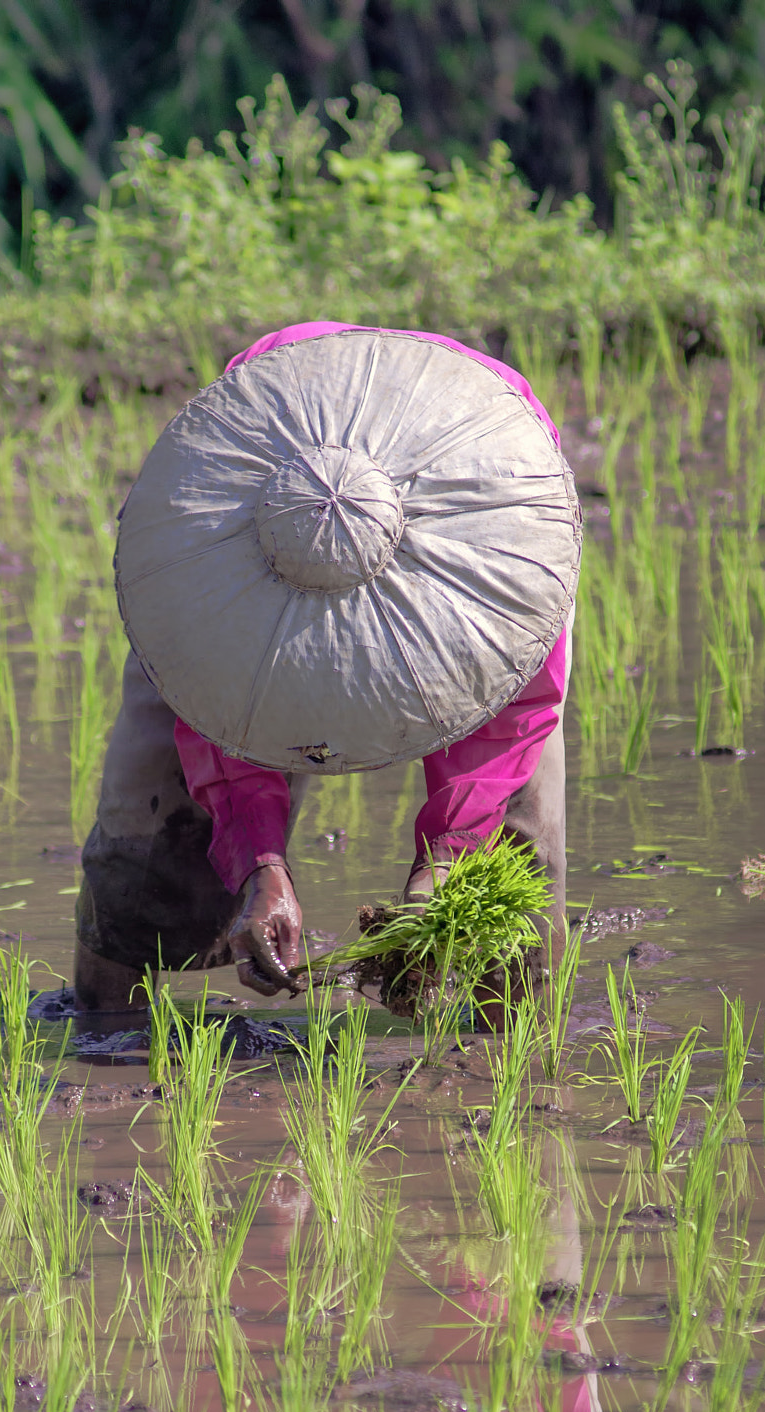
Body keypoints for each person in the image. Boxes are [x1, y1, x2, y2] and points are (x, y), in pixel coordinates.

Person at [74, 322, 581, 1024]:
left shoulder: (510, 535)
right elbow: (217, 712)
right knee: (154, 820)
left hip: (478, 517)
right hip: (244, 532)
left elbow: (513, 720)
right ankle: (106, 1034)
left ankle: (516, 1047)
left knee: (515, 845)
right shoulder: (204, 538)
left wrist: (447, 856)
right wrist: (262, 865)